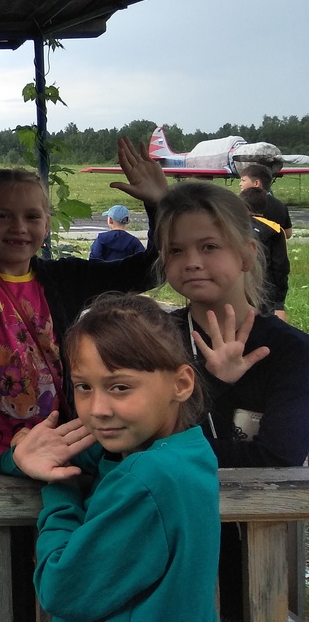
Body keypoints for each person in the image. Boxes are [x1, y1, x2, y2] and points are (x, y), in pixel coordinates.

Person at [0, 120, 168, 464]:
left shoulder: (64, 279)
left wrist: (159, 204)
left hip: (59, 445)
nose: (19, 227)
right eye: (3, 216)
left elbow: (147, 271)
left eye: (32, 217)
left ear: (46, 225)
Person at [1, 293, 217, 622]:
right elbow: (34, 460)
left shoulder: (148, 477)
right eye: (84, 387)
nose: (98, 410)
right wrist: (22, 456)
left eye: (120, 388)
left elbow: (61, 590)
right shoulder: (187, 454)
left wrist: (58, 484)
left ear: (181, 384)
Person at [155, 182, 309, 620]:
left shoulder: (291, 352)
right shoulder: (152, 341)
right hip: (166, 543)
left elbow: (277, 457)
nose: (192, 261)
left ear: (246, 254)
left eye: (209, 246)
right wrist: (213, 382)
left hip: (255, 551)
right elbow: (131, 441)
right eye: (176, 250)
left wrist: (165, 450)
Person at [238, 186, 289, 317]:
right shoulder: (275, 229)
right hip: (266, 288)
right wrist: (280, 298)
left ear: (243, 206)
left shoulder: (235, 226)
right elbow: (280, 265)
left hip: (239, 285)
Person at [239, 163, 291, 240]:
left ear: (256, 183)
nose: (240, 184)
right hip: (274, 246)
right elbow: (288, 234)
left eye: (243, 180)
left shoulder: (241, 203)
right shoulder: (281, 206)